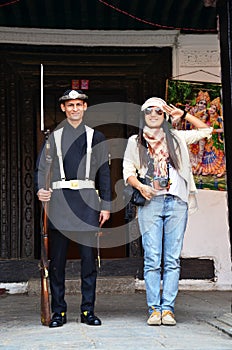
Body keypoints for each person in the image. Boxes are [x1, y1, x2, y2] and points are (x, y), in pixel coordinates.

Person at [123, 97, 212, 326]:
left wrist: (183, 115)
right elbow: (127, 171)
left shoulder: (176, 137)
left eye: (159, 112)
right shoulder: (135, 141)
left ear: (164, 117)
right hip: (150, 202)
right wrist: (141, 186)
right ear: (143, 116)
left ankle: (168, 310)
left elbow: (207, 129)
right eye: (149, 111)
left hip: (176, 202)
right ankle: (154, 309)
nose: (154, 115)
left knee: (172, 259)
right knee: (152, 259)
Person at [35, 89, 111, 327]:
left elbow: (104, 173)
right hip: (59, 204)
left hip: (88, 203)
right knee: (57, 263)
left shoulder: (95, 136)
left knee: (89, 262)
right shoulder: (53, 137)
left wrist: (106, 205)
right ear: (63, 108)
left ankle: (88, 311)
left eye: (79, 104)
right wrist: (40, 190)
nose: (75, 108)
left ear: (85, 107)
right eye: (70, 105)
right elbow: (41, 170)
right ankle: (59, 312)